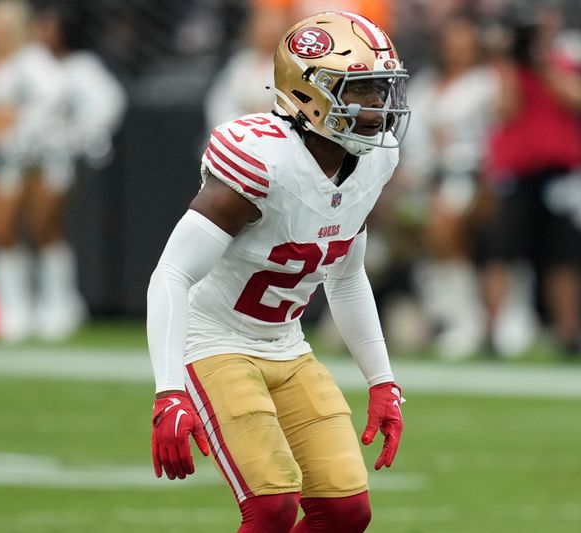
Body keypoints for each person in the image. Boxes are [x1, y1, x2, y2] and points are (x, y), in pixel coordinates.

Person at [147, 11, 409, 533]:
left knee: (345, 512)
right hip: (214, 339)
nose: (379, 108)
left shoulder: (373, 162)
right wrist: (168, 392)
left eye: (382, 90)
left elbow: (347, 275)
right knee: (271, 507)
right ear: (309, 94)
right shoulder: (263, 161)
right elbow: (172, 273)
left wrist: (382, 381)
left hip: (286, 344)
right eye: (361, 92)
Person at [481, 1, 581, 357]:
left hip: (557, 174)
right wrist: (513, 65)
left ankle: (571, 337)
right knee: (501, 253)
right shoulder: (505, 67)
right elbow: (505, 110)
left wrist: (541, 64)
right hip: (517, 172)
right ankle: (491, 334)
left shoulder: (562, 60)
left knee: (564, 256)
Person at [398, 13, 503, 359]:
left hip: (472, 176)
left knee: (443, 222)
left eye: (465, 40)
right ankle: (434, 312)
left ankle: (465, 320)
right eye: (451, 40)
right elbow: (411, 143)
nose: (457, 47)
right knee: (395, 220)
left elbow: (498, 134)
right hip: (425, 179)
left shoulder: (488, 83)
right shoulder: (426, 85)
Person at [30, 0, 127, 341]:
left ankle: (62, 304)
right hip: (30, 155)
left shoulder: (83, 67)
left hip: (67, 158)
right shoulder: (33, 65)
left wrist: (81, 137)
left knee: (48, 224)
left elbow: (110, 104)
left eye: (50, 27)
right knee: (31, 228)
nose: (44, 33)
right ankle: (40, 304)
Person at [0, 0, 62, 342]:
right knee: (2, 231)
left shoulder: (31, 61)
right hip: (0, 160)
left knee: (42, 228)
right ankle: (13, 308)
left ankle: (56, 306)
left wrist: (16, 124)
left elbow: (53, 100)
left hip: (38, 159)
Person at [204, 7, 288, 132]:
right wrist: (240, 124)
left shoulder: (289, 66)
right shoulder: (240, 62)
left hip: (276, 134)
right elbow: (220, 102)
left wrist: (262, 118)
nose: (267, 35)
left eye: (272, 30)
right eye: (262, 29)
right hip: (236, 132)